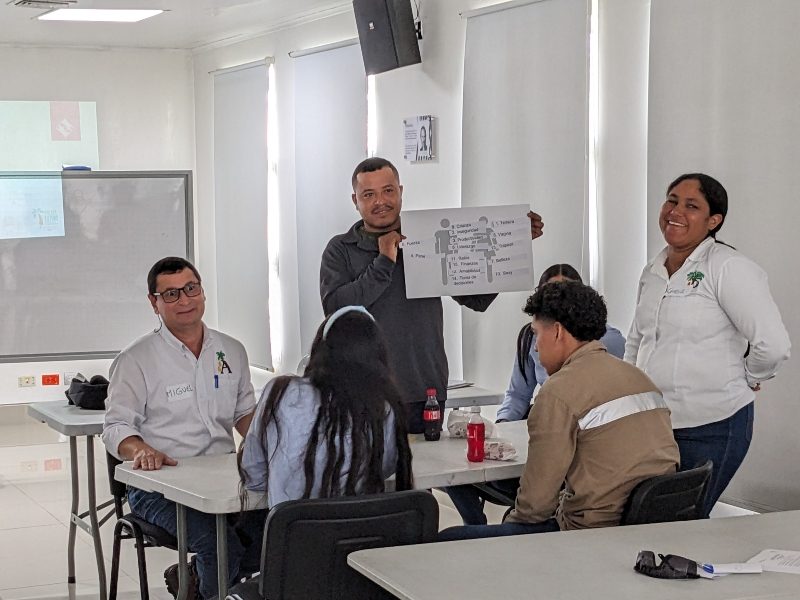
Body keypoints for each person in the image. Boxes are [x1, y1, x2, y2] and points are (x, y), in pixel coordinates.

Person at [439, 281, 679, 541]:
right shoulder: (639, 378)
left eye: (536, 334)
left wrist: (511, 526)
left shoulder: (558, 392)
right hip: (653, 529)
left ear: (556, 332)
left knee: (447, 540)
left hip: (590, 534)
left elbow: (535, 505)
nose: (535, 347)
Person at [319, 156, 544, 433]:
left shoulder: (426, 236)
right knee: (367, 473)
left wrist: (511, 248)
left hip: (423, 390)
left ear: (401, 191)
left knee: (428, 471)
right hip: (362, 390)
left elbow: (476, 299)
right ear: (356, 200)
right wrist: (384, 262)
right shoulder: (340, 249)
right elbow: (337, 309)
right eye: (369, 194)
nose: (381, 201)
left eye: (388, 190)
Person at [625, 173, 790, 517]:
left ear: (714, 221)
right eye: (671, 200)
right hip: (654, 425)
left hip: (712, 425)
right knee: (644, 522)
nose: (675, 211)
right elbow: (637, 340)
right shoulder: (652, 270)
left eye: (691, 206)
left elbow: (772, 344)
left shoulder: (728, 268)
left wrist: (747, 376)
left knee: (680, 523)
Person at [102, 257, 261, 600]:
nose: (185, 300)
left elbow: (245, 413)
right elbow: (116, 426)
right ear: (154, 303)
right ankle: (207, 586)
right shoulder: (136, 359)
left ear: (202, 291)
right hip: (159, 486)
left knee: (275, 531)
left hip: (224, 478)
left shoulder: (230, 349)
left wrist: (275, 442)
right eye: (171, 294)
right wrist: (139, 449)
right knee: (221, 546)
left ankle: (198, 584)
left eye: (191, 289)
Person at [445, 264, 626, 525]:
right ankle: (476, 524)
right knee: (458, 468)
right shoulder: (530, 337)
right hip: (541, 429)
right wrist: (504, 430)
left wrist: (520, 520)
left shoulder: (604, 340)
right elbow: (518, 394)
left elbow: (533, 507)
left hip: (580, 444)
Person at [239, 305, 413, 505]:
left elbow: (253, 476)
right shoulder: (384, 406)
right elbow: (385, 467)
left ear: (320, 349)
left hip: (295, 533)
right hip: (367, 533)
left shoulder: (281, 393)